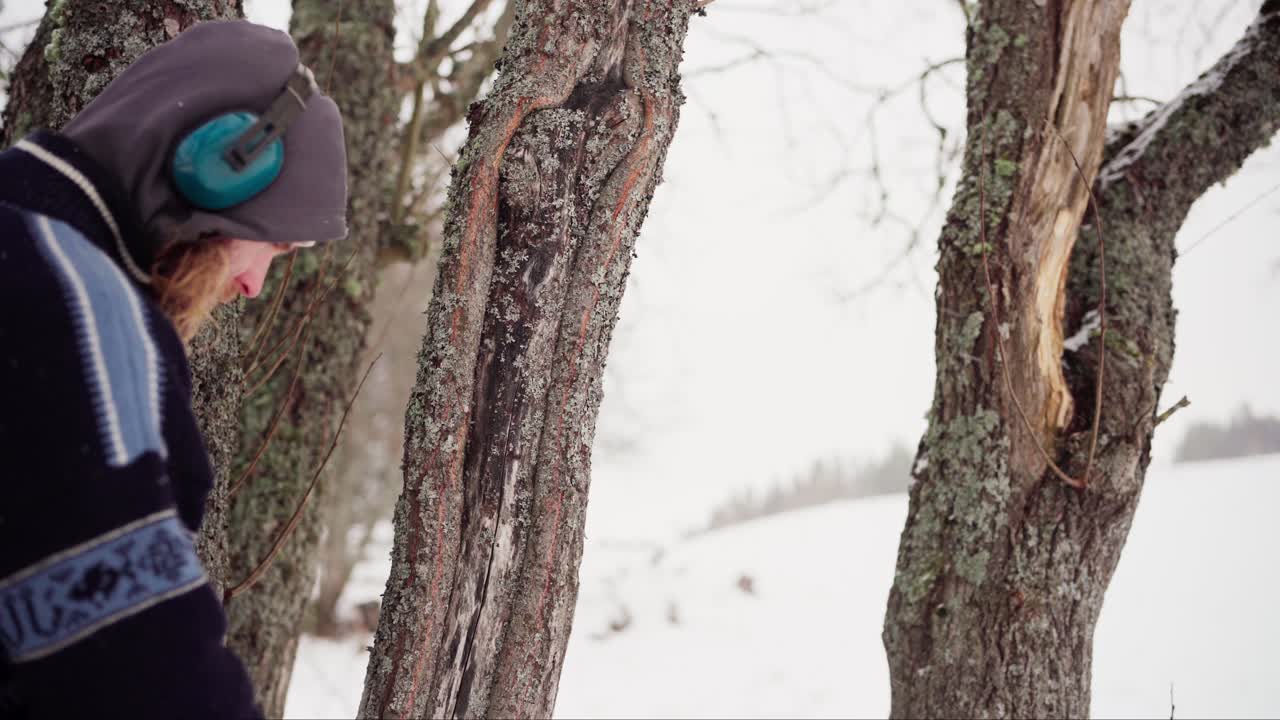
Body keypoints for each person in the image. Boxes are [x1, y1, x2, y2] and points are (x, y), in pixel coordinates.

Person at [0, 19, 347, 718]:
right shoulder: (78, 310)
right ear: (217, 168)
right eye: (273, 245)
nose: (252, 285)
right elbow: (143, 673)